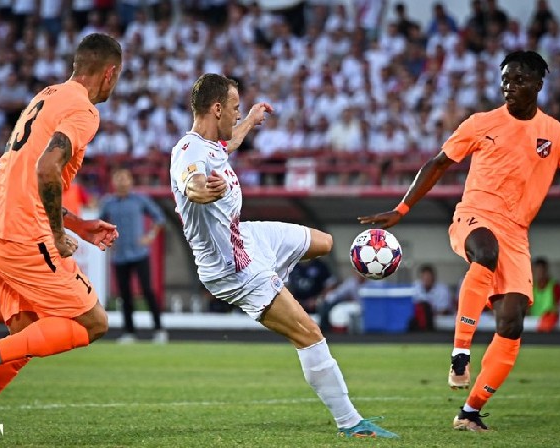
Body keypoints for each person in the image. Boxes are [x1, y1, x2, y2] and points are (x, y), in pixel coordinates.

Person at [359, 51, 560, 432]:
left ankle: (470, 411)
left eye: (519, 79)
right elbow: (438, 163)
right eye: (505, 79)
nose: (509, 86)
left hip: (516, 233)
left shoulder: (557, 134)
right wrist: (401, 209)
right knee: (485, 252)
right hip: (474, 217)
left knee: (511, 324)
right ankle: (460, 353)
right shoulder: (481, 123)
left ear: (538, 85)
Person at [169, 74, 397, 439]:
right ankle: (351, 423)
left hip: (247, 237)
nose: (238, 113)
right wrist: (204, 190)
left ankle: (279, 284)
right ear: (217, 109)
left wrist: (251, 119)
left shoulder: (211, 145)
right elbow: (191, 183)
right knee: (310, 334)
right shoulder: (188, 151)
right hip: (232, 268)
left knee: (324, 242)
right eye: (235, 108)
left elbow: (228, 143)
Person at [0, 33, 122, 448]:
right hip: (24, 235)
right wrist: (57, 233)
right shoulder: (84, 110)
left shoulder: (46, 97)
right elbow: (47, 169)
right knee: (93, 323)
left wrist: (77, 224)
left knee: (26, 339)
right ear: (110, 73)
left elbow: (25, 178)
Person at [99, 168, 167, 344]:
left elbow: (159, 218)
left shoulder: (140, 199)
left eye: (125, 178)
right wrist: (107, 240)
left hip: (139, 253)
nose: (122, 182)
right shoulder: (108, 203)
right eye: (118, 178)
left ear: (130, 181)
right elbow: (99, 225)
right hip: (119, 255)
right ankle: (129, 332)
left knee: (147, 290)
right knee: (125, 294)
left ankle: (159, 329)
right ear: (113, 182)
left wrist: (150, 236)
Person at [412, 264, 452, 331]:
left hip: (440, 320)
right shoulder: (415, 287)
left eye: (429, 277)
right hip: (421, 322)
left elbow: (445, 311)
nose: (427, 280)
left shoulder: (442, 289)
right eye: (424, 278)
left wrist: (428, 313)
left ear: (433, 277)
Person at [531, 257, 560, 332]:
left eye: (542, 271)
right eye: (537, 271)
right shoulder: (530, 288)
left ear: (546, 270)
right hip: (533, 325)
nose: (540, 274)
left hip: (551, 327)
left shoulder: (556, 287)